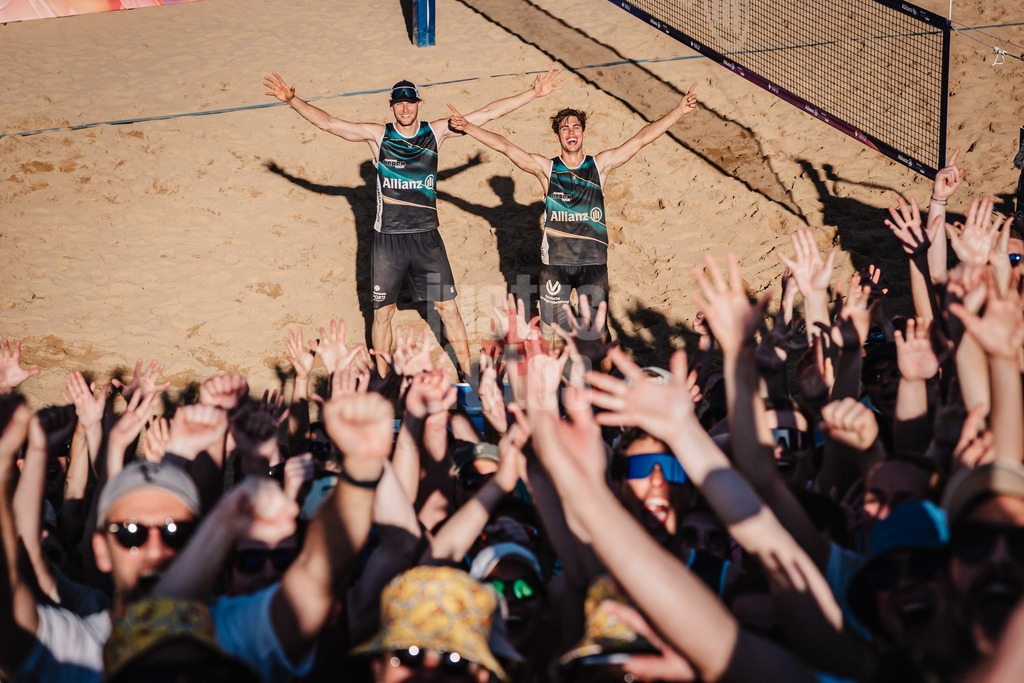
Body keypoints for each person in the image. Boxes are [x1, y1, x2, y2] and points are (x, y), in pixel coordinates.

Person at [264, 67, 564, 377]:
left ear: (419, 104)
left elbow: (487, 113)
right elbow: (328, 123)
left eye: (410, 102)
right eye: (399, 103)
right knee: (383, 314)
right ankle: (382, 380)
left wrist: (534, 93)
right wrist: (292, 100)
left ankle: (467, 374)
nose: (405, 108)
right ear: (391, 106)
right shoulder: (379, 136)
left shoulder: (435, 132)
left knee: (448, 309)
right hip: (388, 241)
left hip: (426, 239)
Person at [446, 83, 698, 337]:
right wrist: (468, 127)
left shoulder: (599, 166)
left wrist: (679, 111)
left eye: (575, 127)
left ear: (583, 133)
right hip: (556, 264)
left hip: (593, 262)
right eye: (564, 128)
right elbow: (506, 147)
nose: (571, 132)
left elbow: (641, 139)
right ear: (557, 137)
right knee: (550, 331)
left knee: (597, 332)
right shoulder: (547, 169)